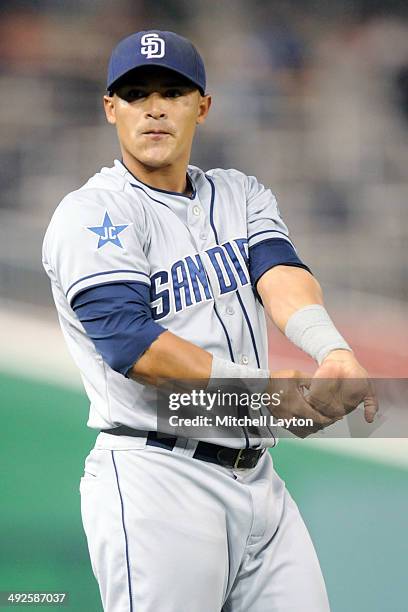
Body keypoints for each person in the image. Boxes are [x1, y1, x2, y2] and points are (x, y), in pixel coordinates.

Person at [42, 30, 377, 612]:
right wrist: (263, 398)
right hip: (157, 482)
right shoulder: (92, 214)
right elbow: (134, 347)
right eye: (134, 93)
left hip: (259, 482)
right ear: (110, 108)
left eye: (172, 91)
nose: (153, 107)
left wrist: (333, 348)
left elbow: (280, 276)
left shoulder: (240, 194)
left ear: (203, 106)